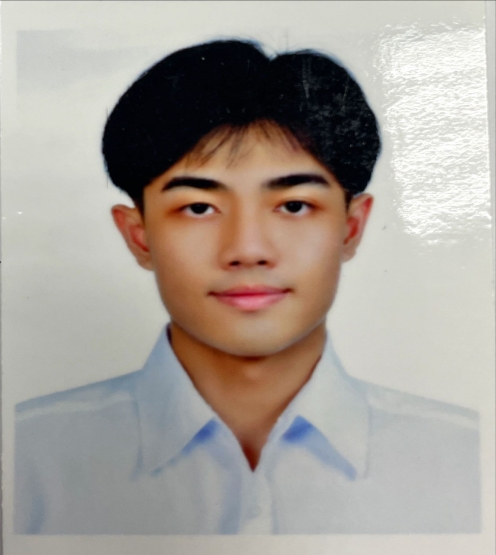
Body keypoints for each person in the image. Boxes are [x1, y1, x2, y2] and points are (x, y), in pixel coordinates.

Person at [14, 40, 480, 534]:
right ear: (139, 236)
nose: (248, 249)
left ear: (351, 228)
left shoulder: (468, 461)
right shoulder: (26, 458)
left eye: (294, 206)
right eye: (199, 208)